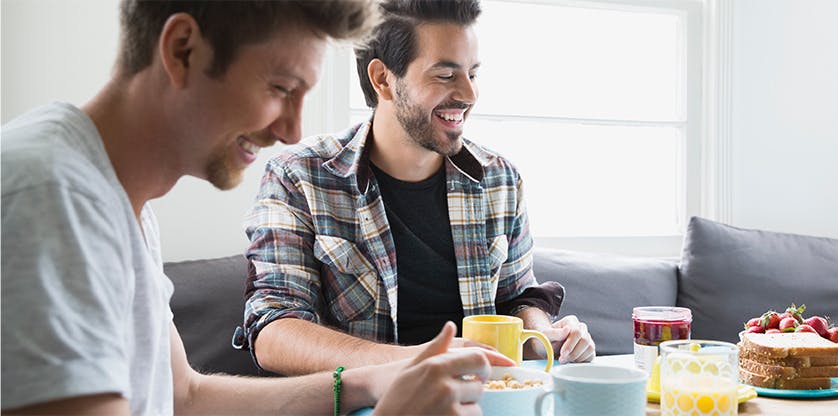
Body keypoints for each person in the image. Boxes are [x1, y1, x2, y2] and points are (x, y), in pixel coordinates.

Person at [0, 1, 513, 415]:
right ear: (182, 50)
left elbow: (186, 397)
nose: (290, 130)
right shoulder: (50, 198)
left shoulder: (113, 196)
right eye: (281, 89)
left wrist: (373, 380)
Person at [242, 0, 596, 377]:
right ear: (383, 80)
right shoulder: (299, 176)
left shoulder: (501, 180)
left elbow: (515, 298)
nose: (469, 94)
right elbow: (274, 332)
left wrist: (544, 333)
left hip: (482, 400)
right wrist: (419, 360)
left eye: (472, 74)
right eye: (445, 76)